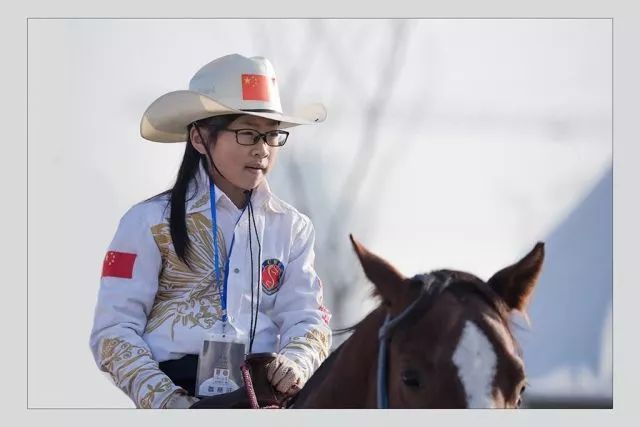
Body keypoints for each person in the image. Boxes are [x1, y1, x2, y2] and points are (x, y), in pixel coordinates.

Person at [89, 54, 332, 409]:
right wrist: (169, 403)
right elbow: (113, 331)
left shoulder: (292, 227)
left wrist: (295, 362)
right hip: (174, 394)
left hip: (264, 398)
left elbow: (309, 318)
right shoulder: (147, 222)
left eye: (271, 135)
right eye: (248, 133)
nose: (262, 150)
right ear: (201, 138)